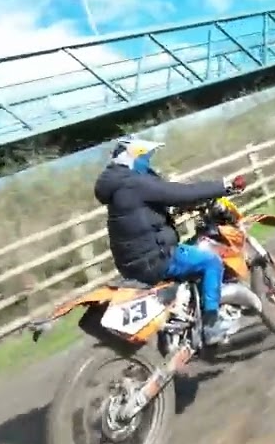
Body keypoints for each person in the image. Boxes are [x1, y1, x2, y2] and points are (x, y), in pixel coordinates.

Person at [93, 137, 248, 345]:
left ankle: (187, 314)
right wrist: (224, 186)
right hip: (155, 259)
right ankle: (212, 324)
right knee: (211, 261)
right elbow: (179, 193)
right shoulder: (134, 183)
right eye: (146, 158)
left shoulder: (118, 186)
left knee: (190, 256)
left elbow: (143, 213)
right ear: (134, 157)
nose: (148, 163)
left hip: (133, 263)